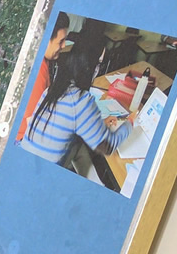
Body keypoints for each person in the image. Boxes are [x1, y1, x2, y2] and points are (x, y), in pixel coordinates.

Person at [19, 33, 134, 167]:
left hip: (24, 157)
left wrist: (98, 124)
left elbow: (64, 121)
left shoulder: (53, 89)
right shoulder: (81, 100)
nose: (98, 69)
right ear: (89, 67)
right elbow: (108, 147)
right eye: (98, 63)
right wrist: (131, 122)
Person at [15, 11, 71, 143]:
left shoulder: (41, 60)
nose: (63, 46)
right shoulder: (37, 72)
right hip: (23, 138)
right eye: (61, 41)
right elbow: (35, 125)